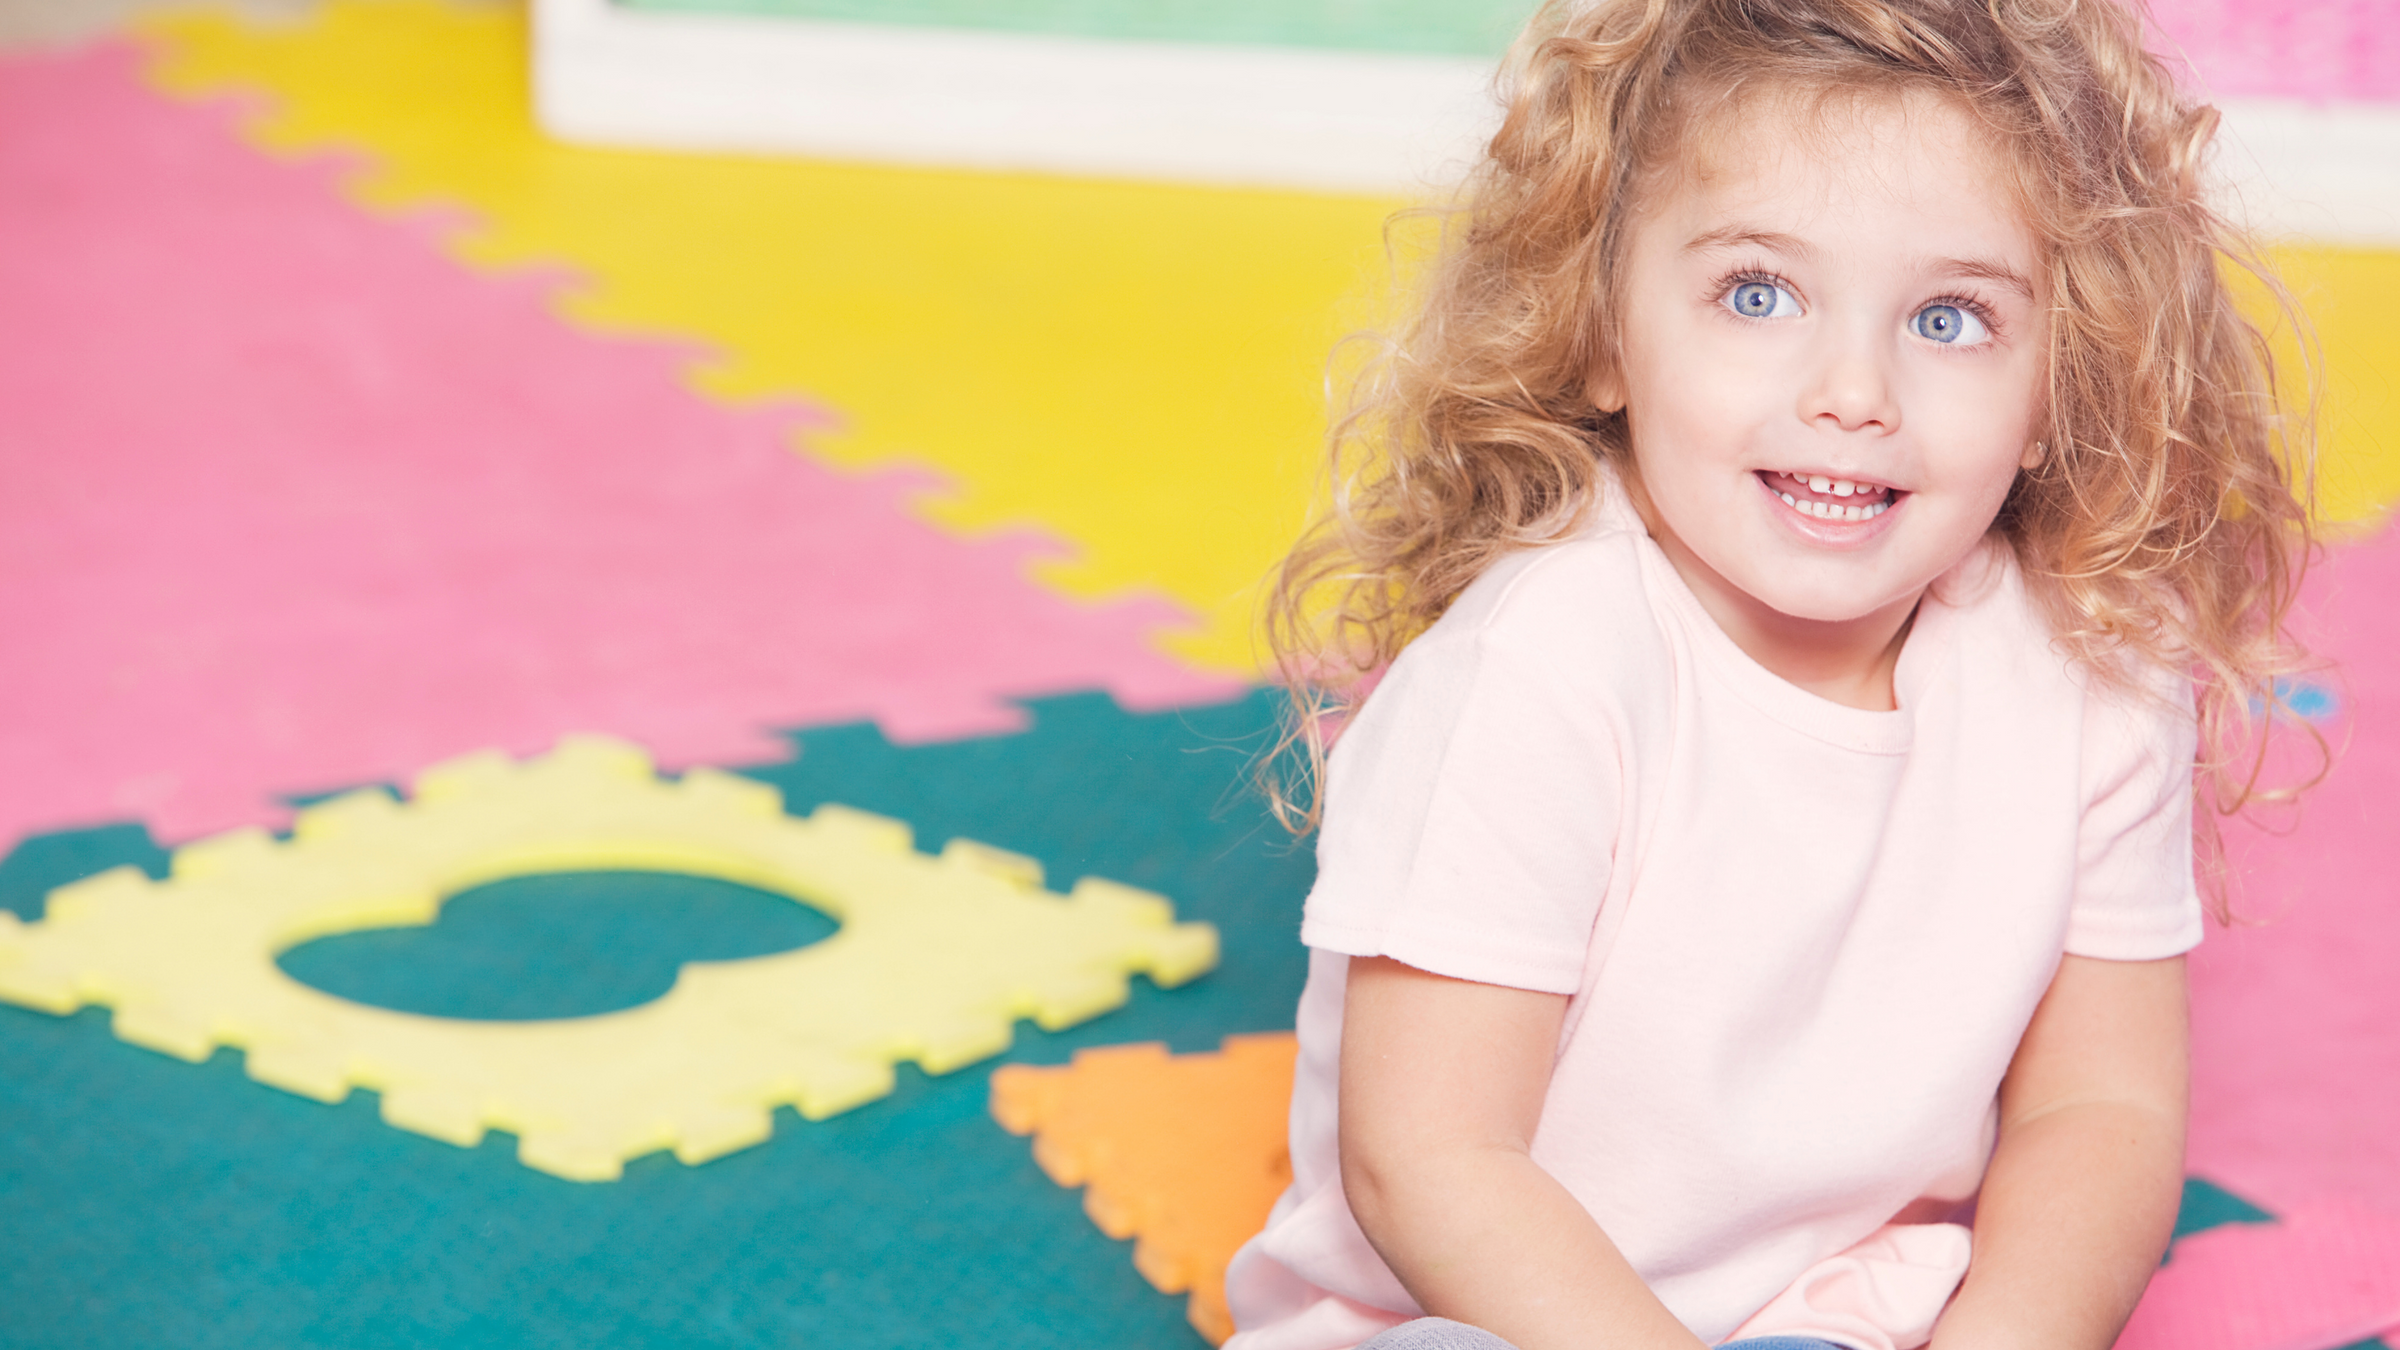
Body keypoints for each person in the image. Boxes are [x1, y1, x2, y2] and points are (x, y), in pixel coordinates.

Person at [1223, 2, 2319, 1349]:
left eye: (1952, 316)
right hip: (1486, 1316)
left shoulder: (2097, 673)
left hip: (1848, 1313)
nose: (1853, 388)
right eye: (1759, 294)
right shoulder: (1537, 671)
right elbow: (1431, 1158)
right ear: (1606, 333)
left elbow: (2100, 1110)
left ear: (2058, 387)